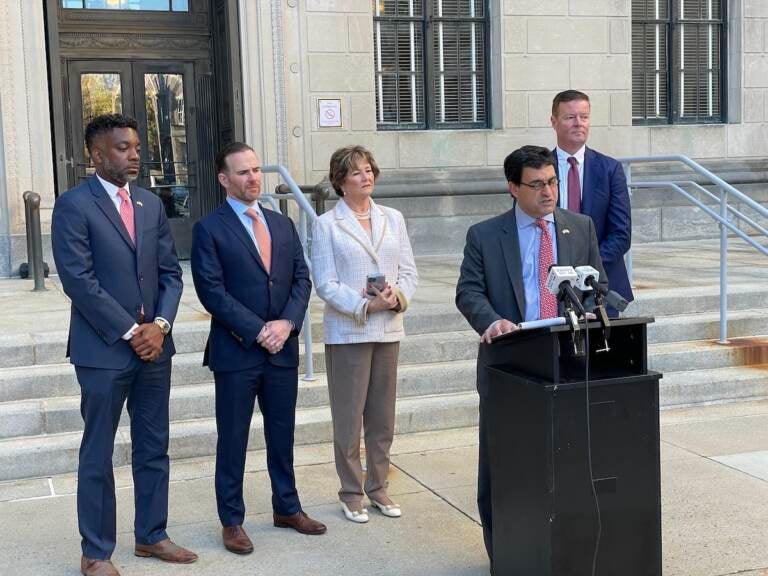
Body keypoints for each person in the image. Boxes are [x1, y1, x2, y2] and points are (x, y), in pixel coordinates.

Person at [51, 113, 196, 576]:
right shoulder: (74, 205)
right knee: (98, 449)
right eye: (122, 147)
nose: (134, 154)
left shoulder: (151, 205)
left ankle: (152, 535)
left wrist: (160, 326)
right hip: (103, 351)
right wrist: (132, 332)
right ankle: (95, 552)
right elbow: (79, 281)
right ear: (97, 155)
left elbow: (171, 273)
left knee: (153, 445)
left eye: (135, 146)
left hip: (156, 348)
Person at [455, 145, 606, 569]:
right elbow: (468, 292)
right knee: (504, 469)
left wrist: (599, 306)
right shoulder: (484, 235)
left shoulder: (580, 227)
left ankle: (567, 549)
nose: (548, 192)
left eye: (553, 182)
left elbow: (599, 284)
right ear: (513, 187)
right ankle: (504, 552)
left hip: (569, 364)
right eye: (536, 184)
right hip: (511, 366)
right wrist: (493, 321)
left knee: (571, 464)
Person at [191, 142, 325, 556]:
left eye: (255, 170)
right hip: (236, 353)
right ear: (224, 179)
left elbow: (302, 278)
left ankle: (287, 507)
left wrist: (286, 324)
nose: (253, 178)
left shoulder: (280, 224)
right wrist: (257, 330)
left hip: (281, 350)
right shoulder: (209, 229)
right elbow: (211, 292)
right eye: (243, 172)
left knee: (281, 434)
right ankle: (232, 520)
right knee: (232, 439)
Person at [311, 145, 418, 523]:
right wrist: (363, 306)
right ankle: (351, 491)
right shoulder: (327, 224)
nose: (366, 176)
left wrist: (395, 297)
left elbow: (408, 271)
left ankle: (378, 487)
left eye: (369, 169)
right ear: (341, 181)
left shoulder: (393, 217)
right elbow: (324, 282)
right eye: (356, 172)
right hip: (349, 332)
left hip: (388, 328)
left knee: (382, 417)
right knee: (348, 416)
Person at [550, 89, 633, 312]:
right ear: (554, 122)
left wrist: (586, 267)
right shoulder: (538, 169)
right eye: (570, 117)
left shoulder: (609, 169)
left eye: (584, 117)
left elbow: (621, 235)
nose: (579, 123)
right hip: (552, 286)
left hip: (601, 287)